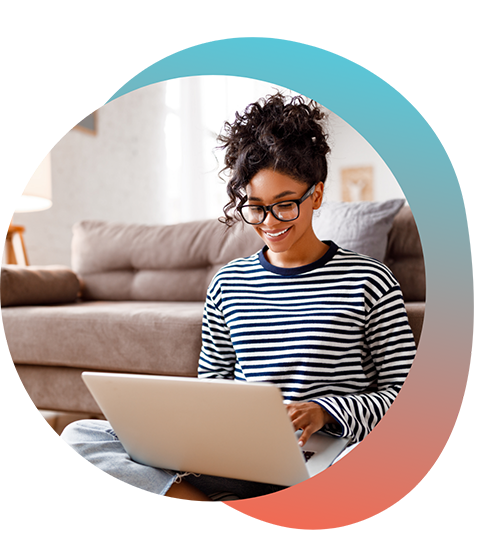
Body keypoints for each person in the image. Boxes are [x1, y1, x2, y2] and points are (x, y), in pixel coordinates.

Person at [62, 92, 416, 507]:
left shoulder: (369, 279)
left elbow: (405, 394)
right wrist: (198, 435)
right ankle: (207, 508)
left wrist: (324, 411)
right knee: (80, 435)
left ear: (316, 195)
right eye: (256, 207)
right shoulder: (227, 283)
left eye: (285, 206)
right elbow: (212, 387)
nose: (269, 223)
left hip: (331, 453)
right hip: (242, 459)